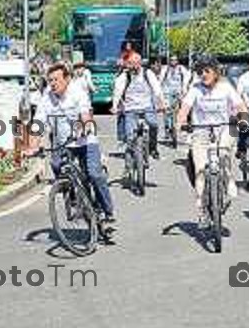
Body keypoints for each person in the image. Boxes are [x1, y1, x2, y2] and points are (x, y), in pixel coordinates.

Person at [28, 62, 115, 223]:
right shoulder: (47, 96)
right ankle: (74, 198)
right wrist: (32, 146)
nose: (53, 84)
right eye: (50, 81)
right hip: (64, 143)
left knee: (94, 174)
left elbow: (85, 114)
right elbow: (38, 121)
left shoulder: (77, 91)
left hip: (85, 141)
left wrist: (85, 127)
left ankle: (107, 210)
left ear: (67, 79)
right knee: (56, 165)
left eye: (56, 80)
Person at [177, 55, 247, 221]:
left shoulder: (226, 87)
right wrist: (179, 123)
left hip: (225, 127)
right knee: (200, 170)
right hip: (201, 131)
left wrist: (243, 119)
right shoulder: (195, 89)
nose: (203, 74)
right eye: (200, 71)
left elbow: (240, 106)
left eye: (207, 70)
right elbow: (184, 108)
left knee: (223, 153)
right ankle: (201, 207)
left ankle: (229, 180)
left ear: (216, 72)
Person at [111, 52, 165, 164]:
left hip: (147, 106)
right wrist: (115, 106)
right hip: (130, 108)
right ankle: (129, 158)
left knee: (153, 125)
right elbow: (118, 92)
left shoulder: (147, 73)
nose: (133, 66)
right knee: (130, 136)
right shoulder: (124, 76)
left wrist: (161, 102)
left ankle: (153, 148)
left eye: (135, 63)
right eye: (130, 64)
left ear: (140, 63)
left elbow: (157, 89)